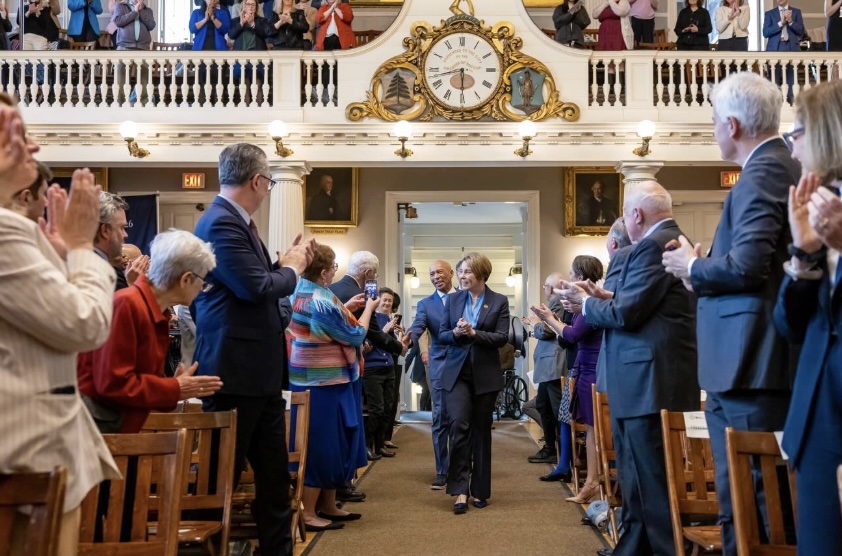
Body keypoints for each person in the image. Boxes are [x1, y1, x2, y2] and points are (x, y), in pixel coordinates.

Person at [661, 71, 800, 556]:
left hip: (754, 367)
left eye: (714, 119)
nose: (713, 128)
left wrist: (694, 265)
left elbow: (748, 268)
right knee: (744, 502)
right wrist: (698, 271)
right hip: (745, 366)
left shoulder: (764, 172)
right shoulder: (771, 168)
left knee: (758, 505)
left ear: (734, 124)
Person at [0, 93, 119, 556]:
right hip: (26, 448)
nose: (31, 148)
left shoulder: (15, 226)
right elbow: (83, 324)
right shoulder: (6, 229)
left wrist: (60, 256)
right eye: (14, 138)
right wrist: (82, 249)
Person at [559, 181, 699, 556]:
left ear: (635, 215)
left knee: (649, 476)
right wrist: (606, 297)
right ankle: (635, 544)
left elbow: (626, 313)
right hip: (642, 378)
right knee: (636, 474)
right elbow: (637, 305)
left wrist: (586, 305)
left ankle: (660, 549)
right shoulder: (661, 242)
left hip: (649, 380)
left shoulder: (653, 246)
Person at [192, 142, 313, 556]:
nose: (269, 189)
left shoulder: (238, 223)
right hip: (233, 373)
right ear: (258, 181)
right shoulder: (221, 223)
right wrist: (292, 267)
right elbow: (256, 287)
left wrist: (280, 268)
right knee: (218, 482)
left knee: (274, 483)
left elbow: (260, 289)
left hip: (256, 374)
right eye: (270, 182)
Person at [773, 80, 842, 556]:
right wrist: (804, 255)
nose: (792, 150)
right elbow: (789, 327)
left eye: (795, 134)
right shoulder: (812, 209)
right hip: (818, 418)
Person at [77, 230, 223, 433]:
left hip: (119, 431)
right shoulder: (127, 304)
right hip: (100, 435)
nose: (202, 288)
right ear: (186, 279)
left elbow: (139, 383)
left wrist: (173, 387)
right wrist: (174, 387)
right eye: (203, 281)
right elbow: (113, 384)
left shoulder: (156, 312)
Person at [286, 243, 376, 531]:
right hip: (322, 382)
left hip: (314, 377)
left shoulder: (299, 291)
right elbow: (354, 335)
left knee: (334, 443)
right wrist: (369, 310)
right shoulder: (320, 300)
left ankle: (328, 504)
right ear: (324, 272)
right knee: (321, 446)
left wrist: (346, 308)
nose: (336, 270)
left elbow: (320, 325)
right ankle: (310, 511)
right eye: (335, 266)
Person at [330, 250, 405, 502]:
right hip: (345, 367)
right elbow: (368, 333)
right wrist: (399, 347)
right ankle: (342, 484)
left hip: (332, 368)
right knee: (348, 426)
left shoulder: (333, 289)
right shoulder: (358, 296)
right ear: (368, 273)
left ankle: (336, 486)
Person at [438, 252, 510, 513]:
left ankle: (480, 490)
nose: (462, 276)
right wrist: (457, 333)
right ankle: (459, 490)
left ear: (481, 274)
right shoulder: (454, 299)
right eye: (461, 272)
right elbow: (442, 335)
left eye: (467, 271)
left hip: (485, 375)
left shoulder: (499, 301)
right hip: (457, 374)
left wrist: (474, 333)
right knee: (458, 425)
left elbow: (502, 337)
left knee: (481, 431)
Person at [532, 256, 604, 505]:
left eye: (572, 274)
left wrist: (548, 318)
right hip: (583, 366)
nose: (569, 278)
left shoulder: (593, 302)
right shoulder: (583, 303)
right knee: (592, 429)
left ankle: (593, 482)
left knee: (595, 428)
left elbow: (572, 335)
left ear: (581, 276)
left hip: (593, 368)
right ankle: (591, 483)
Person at [407, 260, 456, 490]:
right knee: (439, 417)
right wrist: (410, 336)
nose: (435, 276)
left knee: (461, 417)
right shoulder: (425, 304)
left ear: (451, 274)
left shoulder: (464, 298)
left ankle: (461, 466)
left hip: (463, 364)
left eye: (439, 272)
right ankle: (442, 470)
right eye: (431, 274)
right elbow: (419, 325)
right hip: (438, 365)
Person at [522, 272, 567, 466]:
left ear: (553, 287)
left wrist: (535, 325)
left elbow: (549, 329)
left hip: (553, 365)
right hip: (548, 365)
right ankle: (552, 447)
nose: (544, 289)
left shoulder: (557, 301)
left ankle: (559, 451)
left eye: (545, 285)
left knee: (554, 410)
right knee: (544, 406)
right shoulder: (556, 302)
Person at [362, 286, 402, 460]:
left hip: (389, 367)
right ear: (377, 301)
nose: (386, 303)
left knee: (387, 409)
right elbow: (367, 346)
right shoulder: (369, 318)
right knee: (376, 409)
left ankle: (380, 445)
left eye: (390, 301)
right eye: (384, 300)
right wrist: (385, 330)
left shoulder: (390, 319)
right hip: (372, 369)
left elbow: (394, 347)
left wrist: (401, 340)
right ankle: (367, 446)